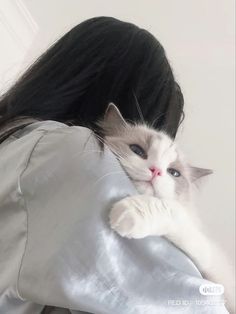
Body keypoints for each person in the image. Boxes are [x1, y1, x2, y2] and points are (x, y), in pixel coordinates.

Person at [0, 17, 227, 314]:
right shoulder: (74, 151)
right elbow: (199, 306)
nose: (157, 170)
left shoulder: (16, 142)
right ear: (112, 116)